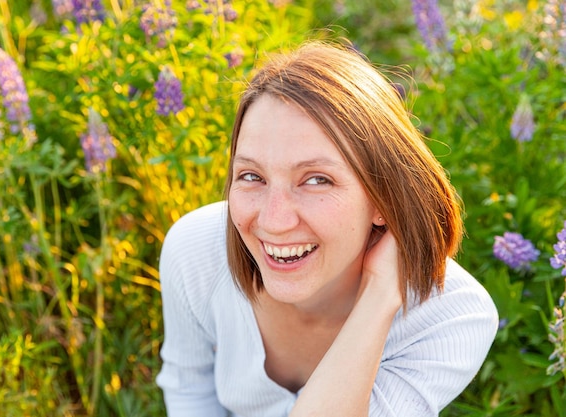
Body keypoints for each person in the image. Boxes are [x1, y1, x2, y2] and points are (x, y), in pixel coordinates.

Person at [156, 41, 499, 417]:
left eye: (317, 180)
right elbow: (190, 392)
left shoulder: (452, 316)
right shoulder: (196, 251)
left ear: (383, 197)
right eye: (252, 176)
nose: (273, 221)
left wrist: (379, 298)